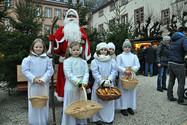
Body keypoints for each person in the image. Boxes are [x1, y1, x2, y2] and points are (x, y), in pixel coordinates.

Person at [48, 9, 91, 102]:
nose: (71, 18)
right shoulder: (61, 30)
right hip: (64, 61)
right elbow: (56, 47)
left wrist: (84, 39)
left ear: (77, 18)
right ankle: (66, 107)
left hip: (79, 61)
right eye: (69, 16)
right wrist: (53, 41)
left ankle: (80, 108)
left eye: (73, 16)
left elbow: (85, 46)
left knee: (80, 85)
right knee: (65, 84)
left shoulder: (81, 31)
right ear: (66, 18)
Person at [21, 38, 54, 125]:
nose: (38, 49)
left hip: (43, 85)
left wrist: (43, 79)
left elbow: (50, 70)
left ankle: (43, 121)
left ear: (44, 48)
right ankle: (34, 122)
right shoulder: (28, 59)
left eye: (40, 47)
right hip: (33, 85)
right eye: (36, 47)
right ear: (32, 48)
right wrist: (33, 79)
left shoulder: (47, 59)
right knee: (34, 102)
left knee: (43, 102)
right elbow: (25, 70)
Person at [62, 42, 89, 125]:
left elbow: (86, 73)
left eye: (77, 50)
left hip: (81, 87)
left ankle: (80, 121)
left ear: (80, 50)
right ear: (70, 50)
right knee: (71, 104)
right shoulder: (67, 61)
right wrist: (78, 82)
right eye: (74, 50)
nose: (76, 51)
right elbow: (68, 74)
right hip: (71, 86)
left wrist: (84, 82)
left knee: (80, 104)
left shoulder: (83, 61)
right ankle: (70, 122)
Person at [90, 42, 117, 125]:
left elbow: (114, 71)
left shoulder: (111, 60)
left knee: (108, 100)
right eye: (101, 49)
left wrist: (109, 80)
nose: (103, 51)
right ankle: (97, 118)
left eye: (105, 49)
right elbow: (95, 72)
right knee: (98, 100)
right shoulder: (95, 61)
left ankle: (108, 117)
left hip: (109, 83)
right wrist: (101, 81)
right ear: (98, 51)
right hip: (98, 83)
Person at [116, 39, 140, 116]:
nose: (127, 48)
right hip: (123, 76)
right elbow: (118, 65)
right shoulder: (120, 56)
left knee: (131, 91)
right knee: (123, 91)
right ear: (123, 48)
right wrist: (124, 70)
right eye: (125, 47)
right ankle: (123, 107)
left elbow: (137, 65)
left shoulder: (134, 56)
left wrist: (132, 70)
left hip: (131, 75)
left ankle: (130, 106)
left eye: (128, 47)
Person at [167, 27, 187, 105]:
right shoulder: (184, 39)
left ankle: (170, 96)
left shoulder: (173, 39)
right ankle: (180, 99)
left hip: (170, 62)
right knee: (181, 82)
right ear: (184, 32)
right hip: (179, 63)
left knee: (171, 80)